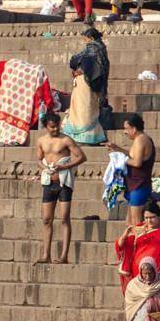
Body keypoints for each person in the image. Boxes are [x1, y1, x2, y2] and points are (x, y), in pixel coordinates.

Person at [33, 111, 86, 265]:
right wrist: (44, 167)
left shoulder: (66, 140)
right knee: (46, 219)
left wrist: (64, 166)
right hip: (49, 182)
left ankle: (64, 256)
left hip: (64, 183)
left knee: (64, 218)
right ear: (46, 127)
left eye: (57, 127)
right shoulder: (41, 141)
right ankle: (46, 255)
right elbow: (38, 160)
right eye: (52, 127)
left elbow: (82, 157)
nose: (55, 129)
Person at [63, 26, 111, 145]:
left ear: (90, 38)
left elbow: (78, 61)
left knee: (83, 109)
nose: (84, 42)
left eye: (85, 39)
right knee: (88, 108)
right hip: (94, 84)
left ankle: (83, 137)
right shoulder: (102, 48)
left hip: (87, 84)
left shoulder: (93, 48)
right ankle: (91, 135)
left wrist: (80, 70)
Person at [108, 109, 155, 224]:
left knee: (136, 223)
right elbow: (132, 155)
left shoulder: (141, 140)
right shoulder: (139, 139)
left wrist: (121, 160)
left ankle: (138, 242)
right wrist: (117, 149)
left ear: (134, 129)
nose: (125, 131)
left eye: (126, 128)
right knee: (129, 223)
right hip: (133, 185)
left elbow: (137, 163)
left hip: (140, 186)